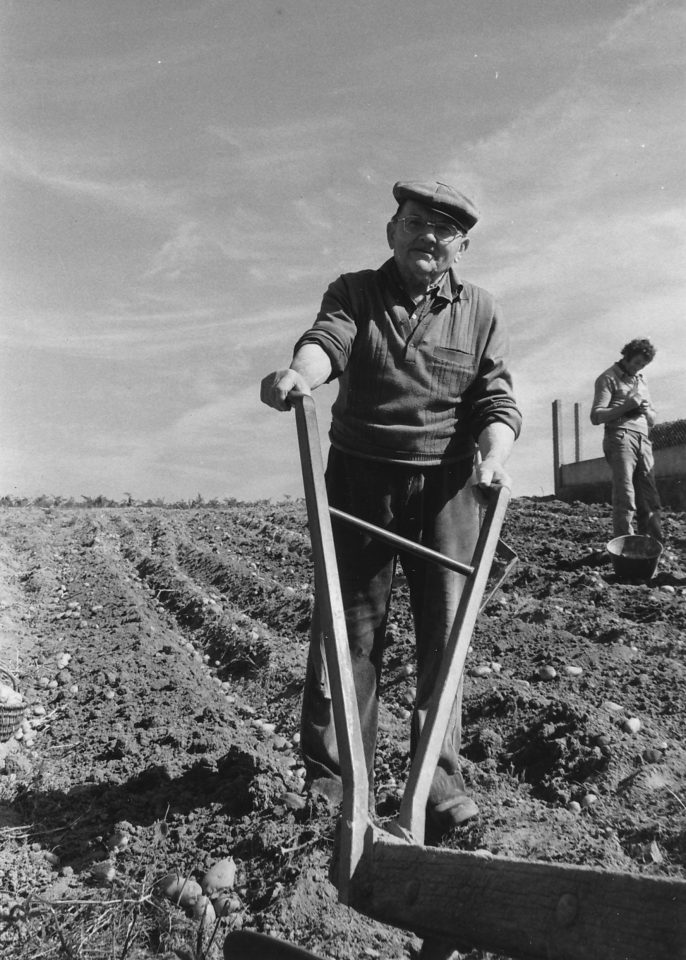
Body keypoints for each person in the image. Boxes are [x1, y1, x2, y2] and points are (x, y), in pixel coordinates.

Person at [261, 179, 522, 834]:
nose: (427, 236)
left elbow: (496, 399)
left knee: (446, 638)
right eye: (414, 223)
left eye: (443, 229)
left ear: (461, 246)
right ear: (392, 231)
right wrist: (301, 375)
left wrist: (494, 453)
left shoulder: (482, 310)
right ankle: (333, 789)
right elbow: (327, 342)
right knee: (349, 634)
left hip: (448, 484)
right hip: (362, 479)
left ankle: (436, 790)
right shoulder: (356, 291)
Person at [590, 338, 662, 543]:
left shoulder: (642, 380)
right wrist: (627, 406)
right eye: (636, 362)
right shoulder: (607, 378)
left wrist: (647, 412)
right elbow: (596, 416)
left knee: (650, 496)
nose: (638, 368)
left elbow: (653, 419)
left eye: (643, 365)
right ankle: (626, 546)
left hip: (643, 439)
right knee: (626, 494)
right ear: (626, 356)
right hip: (620, 436)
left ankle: (653, 546)